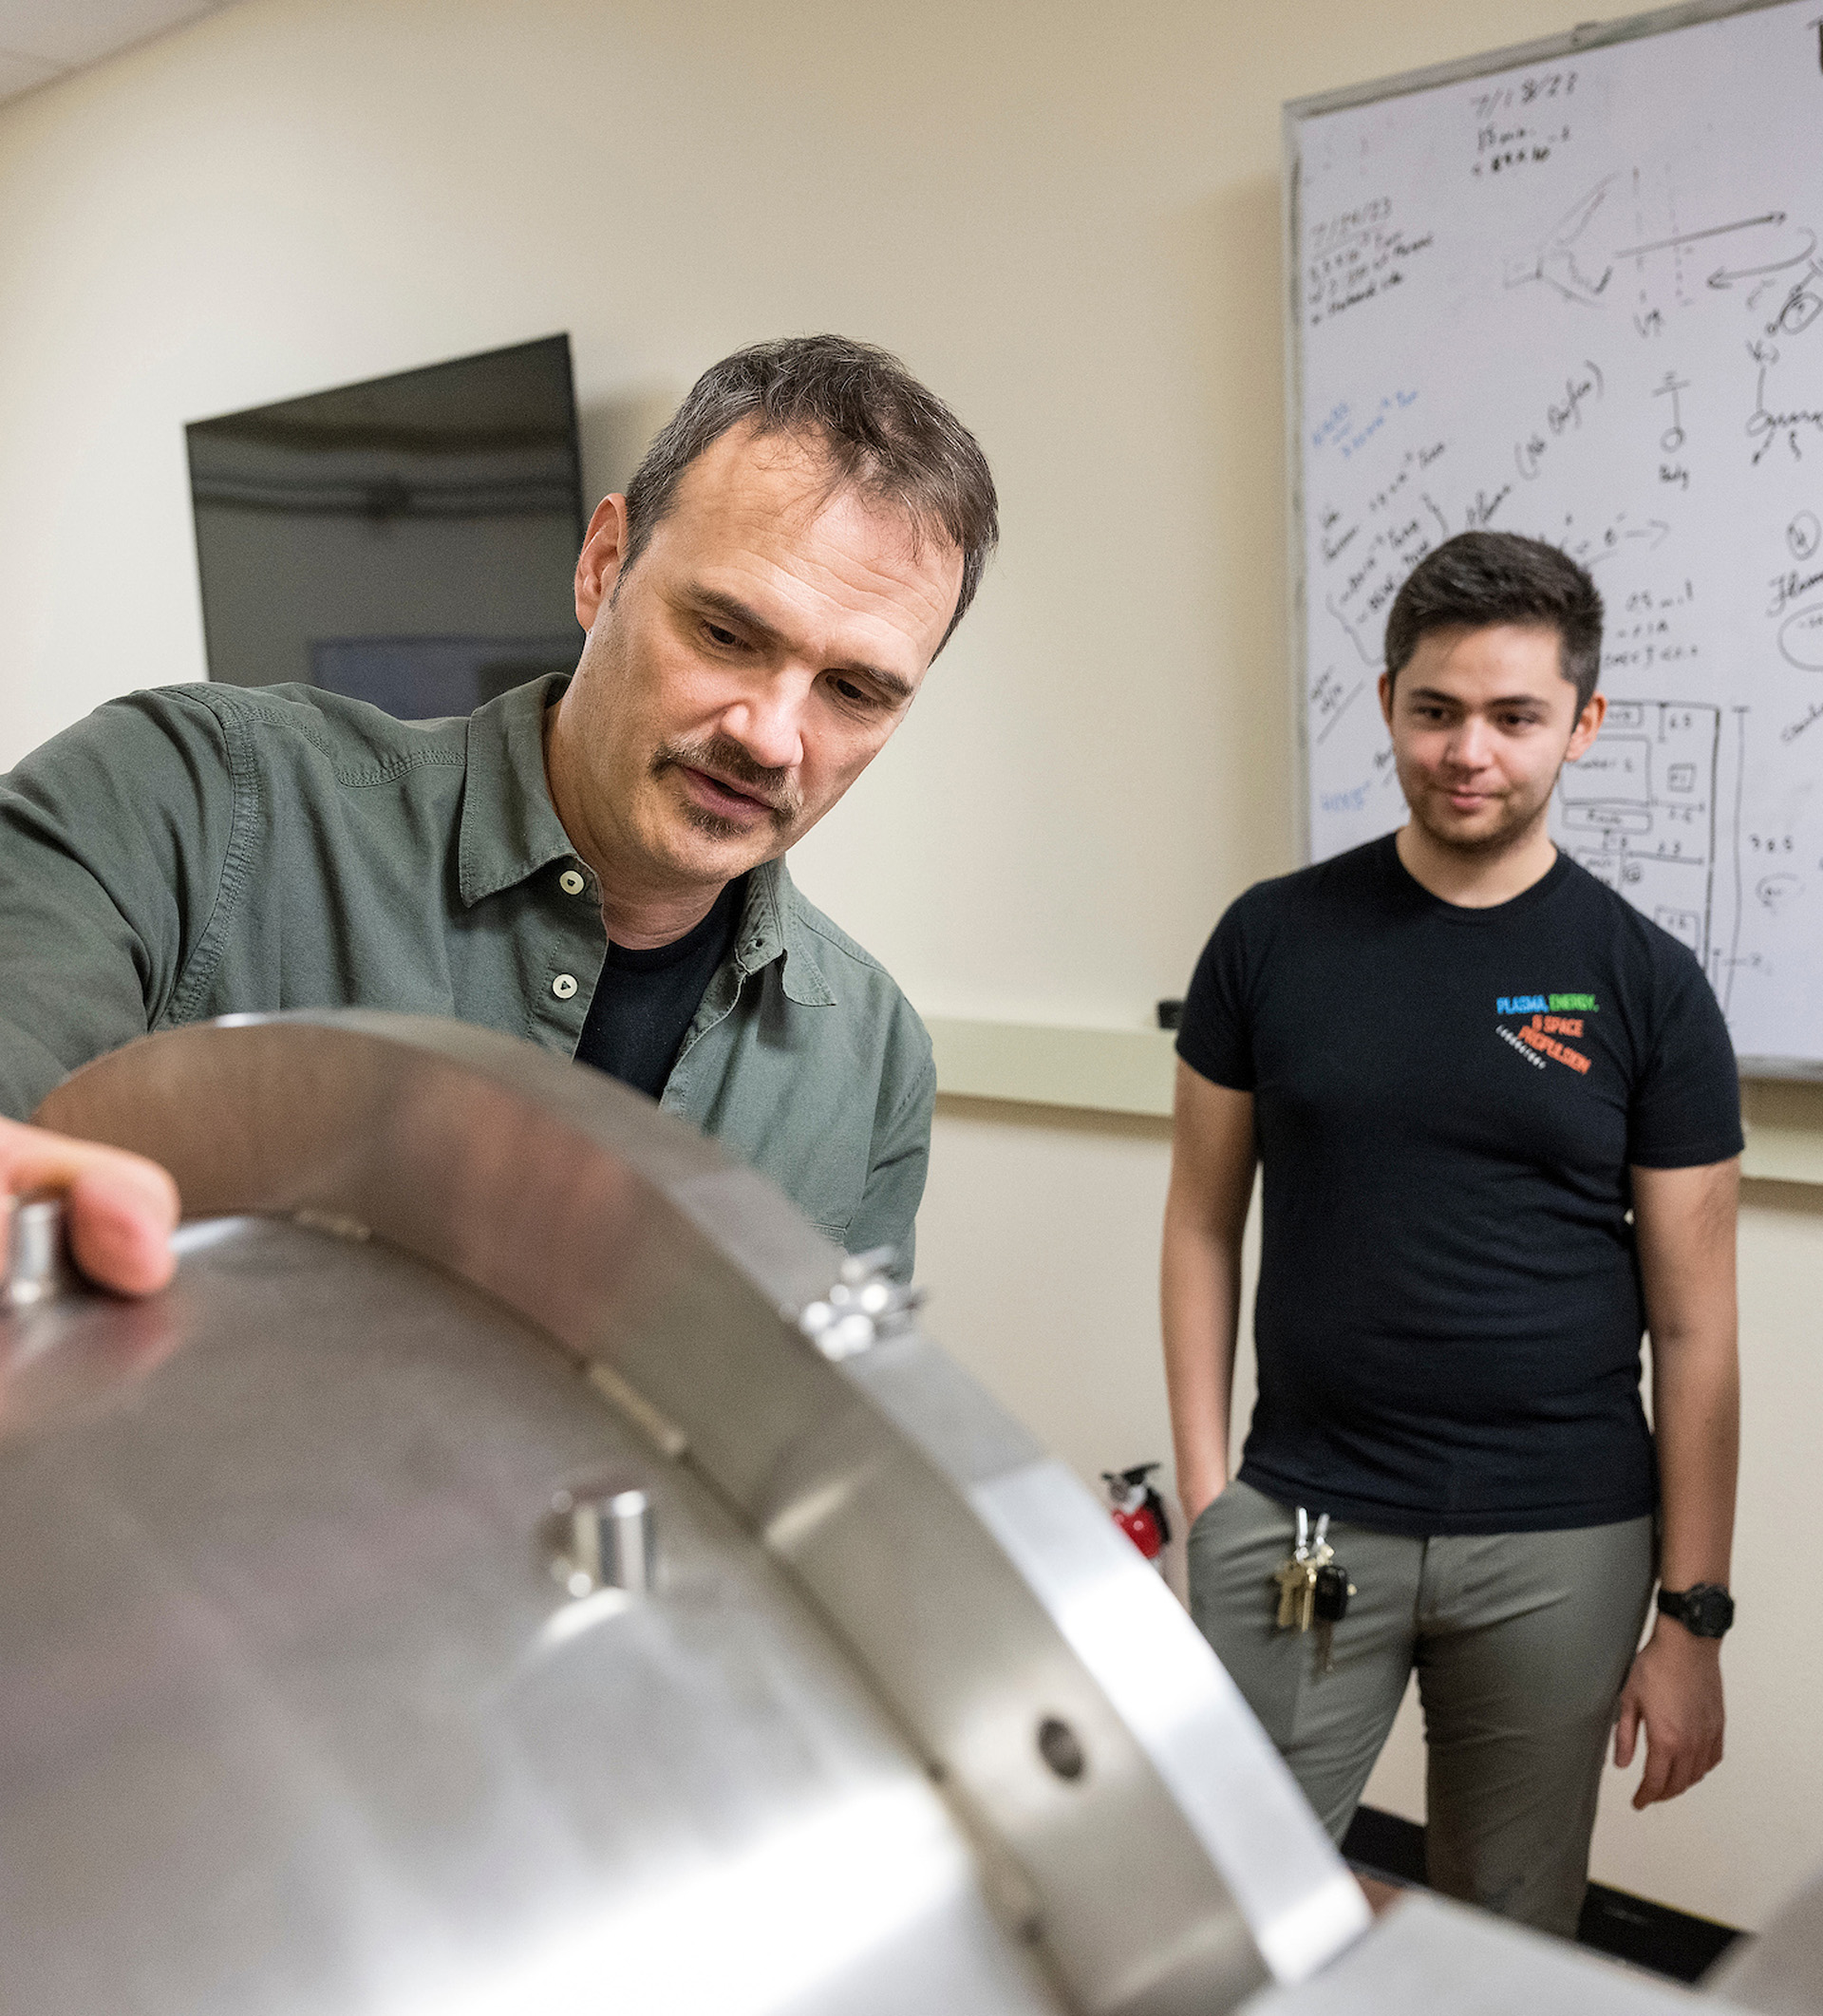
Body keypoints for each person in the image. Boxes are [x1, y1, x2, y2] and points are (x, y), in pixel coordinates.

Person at [0, 335, 998, 1287]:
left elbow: (821, 1428)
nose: (773, 737)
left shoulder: (871, 1053)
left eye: (854, 691)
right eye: (727, 632)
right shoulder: (188, 799)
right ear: (603, 564)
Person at [1161, 530, 1740, 1937]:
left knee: (1507, 1925)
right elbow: (1198, 1223)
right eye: (1436, 709)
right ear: (1387, 704)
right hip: (1303, 1512)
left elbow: (1699, 1325)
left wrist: (1693, 1615)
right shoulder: (1269, 939)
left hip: (1563, 1538)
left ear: (1581, 725)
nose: (1468, 748)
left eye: (1514, 715)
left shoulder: (1647, 983)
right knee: (1220, 1896)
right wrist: (1202, 1498)